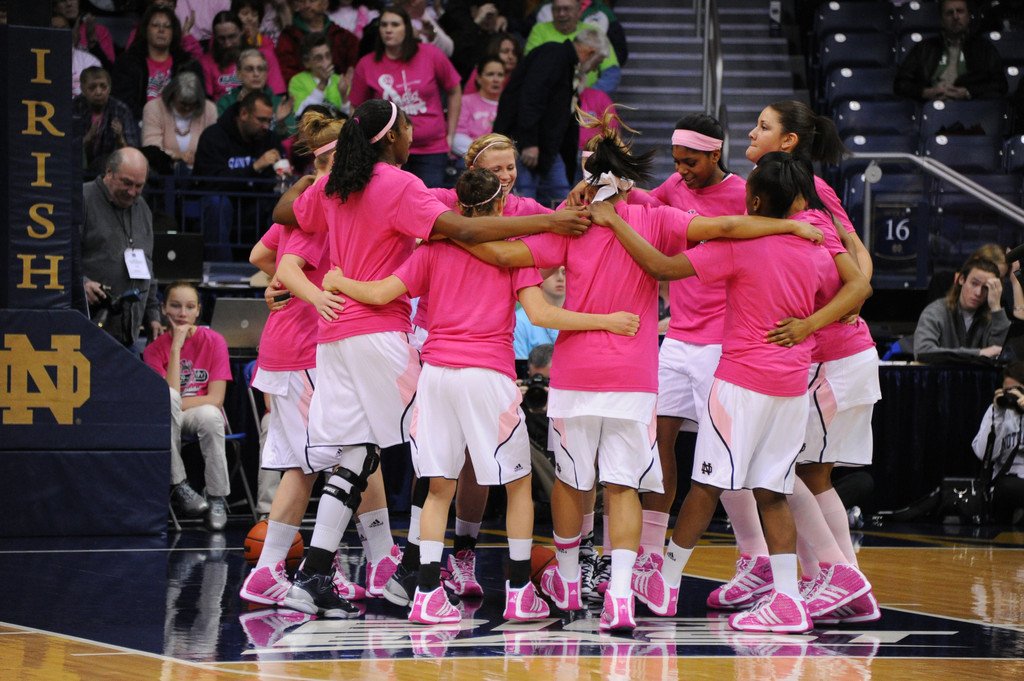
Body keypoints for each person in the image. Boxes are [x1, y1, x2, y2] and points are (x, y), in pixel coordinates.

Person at [455, 114, 827, 633]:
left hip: (576, 374)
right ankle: (623, 597)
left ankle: (565, 578)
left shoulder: (574, 224)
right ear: (627, 179)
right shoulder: (655, 219)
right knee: (622, 486)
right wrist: (787, 224)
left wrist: (455, 235)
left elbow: (500, 252)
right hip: (635, 376)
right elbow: (723, 226)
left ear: (589, 180)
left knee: (571, 480)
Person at [268, 98, 589, 619]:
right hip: (384, 337)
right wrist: (555, 225)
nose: (416, 137)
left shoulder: (335, 184)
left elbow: (285, 216)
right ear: (392, 137)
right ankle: (416, 577)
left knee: (358, 453)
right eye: (410, 129)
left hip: (333, 335)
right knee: (430, 463)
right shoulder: (398, 185)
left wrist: (312, 181)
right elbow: (461, 231)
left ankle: (313, 576)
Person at [321, 167, 638, 624]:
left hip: (437, 376)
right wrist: (605, 322)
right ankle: (517, 592)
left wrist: (337, 282)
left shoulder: (433, 249)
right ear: (499, 206)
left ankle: (428, 593)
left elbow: (380, 292)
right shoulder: (511, 254)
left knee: (438, 488)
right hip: (487, 375)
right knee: (518, 485)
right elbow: (542, 312)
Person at [600, 151, 869, 633]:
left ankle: (666, 581)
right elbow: (859, 286)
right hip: (791, 384)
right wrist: (811, 322)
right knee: (772, 491)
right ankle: (787, 599)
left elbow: (660, 267)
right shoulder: (813, 244)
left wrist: (614, 222)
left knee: (706, 486)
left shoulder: (741, 247)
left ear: (756, 199)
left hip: (742, 384)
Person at [240, 111, 372, 606]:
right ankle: (277, 570)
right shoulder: (314, 205)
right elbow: (283, 263)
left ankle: (324, 565)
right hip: (303, 349)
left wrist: (285, 286)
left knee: (339, 458)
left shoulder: (315, 200)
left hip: (297, 350)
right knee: (329, 461)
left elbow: (259, 255)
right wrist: (308, 293)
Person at [144, 281, 233, 531]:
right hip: (167, 418)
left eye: (189, 307)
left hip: (195, 413)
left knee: (211, 414)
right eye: (175, 306)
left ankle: (216, 496)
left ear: (198, 311)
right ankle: (179, 485)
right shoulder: (153, 351)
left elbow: (216, 398)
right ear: (163, 309)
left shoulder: (215, 341)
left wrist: (176, 403)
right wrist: (175, 348)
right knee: (168, 398)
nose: (183, 313)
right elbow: (166, 397)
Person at [493, 26, 608, 206]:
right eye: (597, 61)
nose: (594, 69)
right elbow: (531, 96)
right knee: (524, 200)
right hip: (525, 145)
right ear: (590, 52)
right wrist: (530, 142)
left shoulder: (566, 65)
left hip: (547, 149)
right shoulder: (553, 55)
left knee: (561, 197)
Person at [349, 6, 462, 187]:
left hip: (431, 150)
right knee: (392, 207)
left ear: (407, 28)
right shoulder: (367, 64)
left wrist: (451, 135)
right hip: (387, 151)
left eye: (395, 24)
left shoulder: (430, 54)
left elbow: (454, 89)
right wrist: (363, 143)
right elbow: (356, 107)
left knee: (428, 207)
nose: (388, 29)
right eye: (384, 25)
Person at [80, 147, 163, 349]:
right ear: (109, 172)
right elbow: (62, 256)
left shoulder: (142, 208)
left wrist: (152, 315)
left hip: (129, 334)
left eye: (139, 186)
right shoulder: (83, 198)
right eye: (126, 183)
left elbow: (147, 265)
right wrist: (81, 283)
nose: (132, 192)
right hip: (88, 329)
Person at [192, 90, 286, 260]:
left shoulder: (269, 139)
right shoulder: (213, 136)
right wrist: (255, 167)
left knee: (279, 206)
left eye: (269, 121)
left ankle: (273, 271)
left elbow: (274, 179)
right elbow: (211, 182)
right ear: (243, 114)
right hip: (222, 205)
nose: (266, 126)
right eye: (261, 120)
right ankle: (222, 273)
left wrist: (282, 176)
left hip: (254, 206)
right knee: (217, 202)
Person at [893, 0, 1007, 102]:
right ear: (942, 21)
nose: (956, 16)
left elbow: (1000, 84)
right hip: (931, 107)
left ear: (968, 17)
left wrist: (968, 92)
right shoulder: (924, 48)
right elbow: (900, 84)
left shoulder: (984, 47)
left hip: (970, 107)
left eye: (960, 11)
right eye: (949, 13)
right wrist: (925, 92)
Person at [111, 4, 205, 121]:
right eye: (155, 25)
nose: (161, 30)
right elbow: (124, 104)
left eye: (167, 26)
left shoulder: (188, 64)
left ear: (173, 32)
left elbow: (196, 102)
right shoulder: (128, 63)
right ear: (146, 30)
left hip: (179, 125)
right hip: (140, 124)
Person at [913, 255, 1010, 362]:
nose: (978, 293)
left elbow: (1000, 357)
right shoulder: (935, 312)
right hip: (942, 377)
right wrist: (979, 353)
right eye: (974, 283)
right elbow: (922, 352)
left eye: (985, 288)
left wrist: (996, 307)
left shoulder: (993, 316)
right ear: (962, 279)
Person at [523, 0, 620, 95]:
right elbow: (532, 67)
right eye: (557, 9)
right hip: (548, 97)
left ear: (579, 11)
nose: (561, 14)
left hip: (587, 101)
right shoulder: (539, 30)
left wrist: (587, 96)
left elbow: (612, 74)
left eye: (567, 9)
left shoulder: (593, 31)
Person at [972, 361, 1024, 525]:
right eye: (1008, 391)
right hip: (1005, 485)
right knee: (1007, 487)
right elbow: (983, 454)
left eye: (1017, 391)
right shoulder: (995, 412)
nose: (1012, 396)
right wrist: (998, 415)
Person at [142, 71, 219, 170]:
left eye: (192, 104)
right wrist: (175, 155)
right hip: (163, 171)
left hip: (200, 171)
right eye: (183, 103)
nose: (187, 108)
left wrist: (197, 159)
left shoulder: (209, 109)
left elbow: (212, 148)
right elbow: (151, 149)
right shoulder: (154, 108)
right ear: (172, 96)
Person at [275, 0, 361, 84]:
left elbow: (353, 70)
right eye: (302, 1)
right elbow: (288, 74)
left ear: (325, 4)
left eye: (312, 1)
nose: (307, 5)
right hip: (303, 93)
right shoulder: (288, 37)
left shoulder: (344, 37)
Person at [73, 66, 140, 173]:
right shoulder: (73, 108)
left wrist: (120, 139)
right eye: (92, 87)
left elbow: (132, 155)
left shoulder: (121, 110)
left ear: (110, 88)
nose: (98, 92)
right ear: (82, 89)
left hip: (110, 170)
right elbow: (64, 151)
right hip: (76, 169)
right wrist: (88, 138)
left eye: (103, 87)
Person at [216, 49, 295, 137]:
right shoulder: (226, 102)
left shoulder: (280, 104)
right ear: (238, 74)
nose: (256, 74)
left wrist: (280, 124)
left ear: (266, 73)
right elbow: (221, 136)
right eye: (250, 69)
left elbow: (292, 138)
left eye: (260, 69)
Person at [451, 55, 504, 158]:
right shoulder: (465, 102)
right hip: (470, 158)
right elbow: (456, 137)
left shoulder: (509, 105)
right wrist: (485, 154)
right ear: (479, 78)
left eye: (500, 75)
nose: (496, 80)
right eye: (490, 74)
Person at [232, 0, 288, 94]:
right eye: (244, 14)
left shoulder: (266, 43)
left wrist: (253, 44)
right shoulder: (226, 39)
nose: (250, 18)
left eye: (254, 15)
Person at [289, 32, 351, 116]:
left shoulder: (340, 80)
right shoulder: (298, 81)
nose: (326, 62)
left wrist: (343, 96)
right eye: (318, 58)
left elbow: (351, 117)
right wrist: (322, 83)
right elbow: (301, 114)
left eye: (328, 56)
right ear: (306, 62)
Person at [514, 267, 563, 359]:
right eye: (553, 272)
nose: (560, 278)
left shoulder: (575, 315)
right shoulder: (520, 321)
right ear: (540, 277)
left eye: (564, 272)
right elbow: (520, 367)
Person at [200, 11, 246, 100]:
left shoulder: (258, 57)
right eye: (221, 38)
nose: (227, 44)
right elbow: (207, 102)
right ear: (215, 37)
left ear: (242, 31)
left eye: (232, 37)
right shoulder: (205, 62)